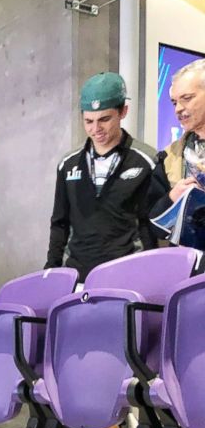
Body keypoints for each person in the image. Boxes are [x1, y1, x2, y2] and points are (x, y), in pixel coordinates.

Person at [46, 72, 157, 282]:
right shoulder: (67, 164)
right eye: (88, 121)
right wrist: (51, 271)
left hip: (127, 275)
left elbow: (148, 225)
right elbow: (59, 223)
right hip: (78, 278)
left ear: (123, 111)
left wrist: (149, 275)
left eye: (104, 119)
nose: (96, 129)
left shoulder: (147, 161)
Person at [149, 58, 205, 226]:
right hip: (189, 251)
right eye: (174, 102)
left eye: (187, 98)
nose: (178, 108)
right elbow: (154, 225)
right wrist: (172, 198)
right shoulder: (168, 158)